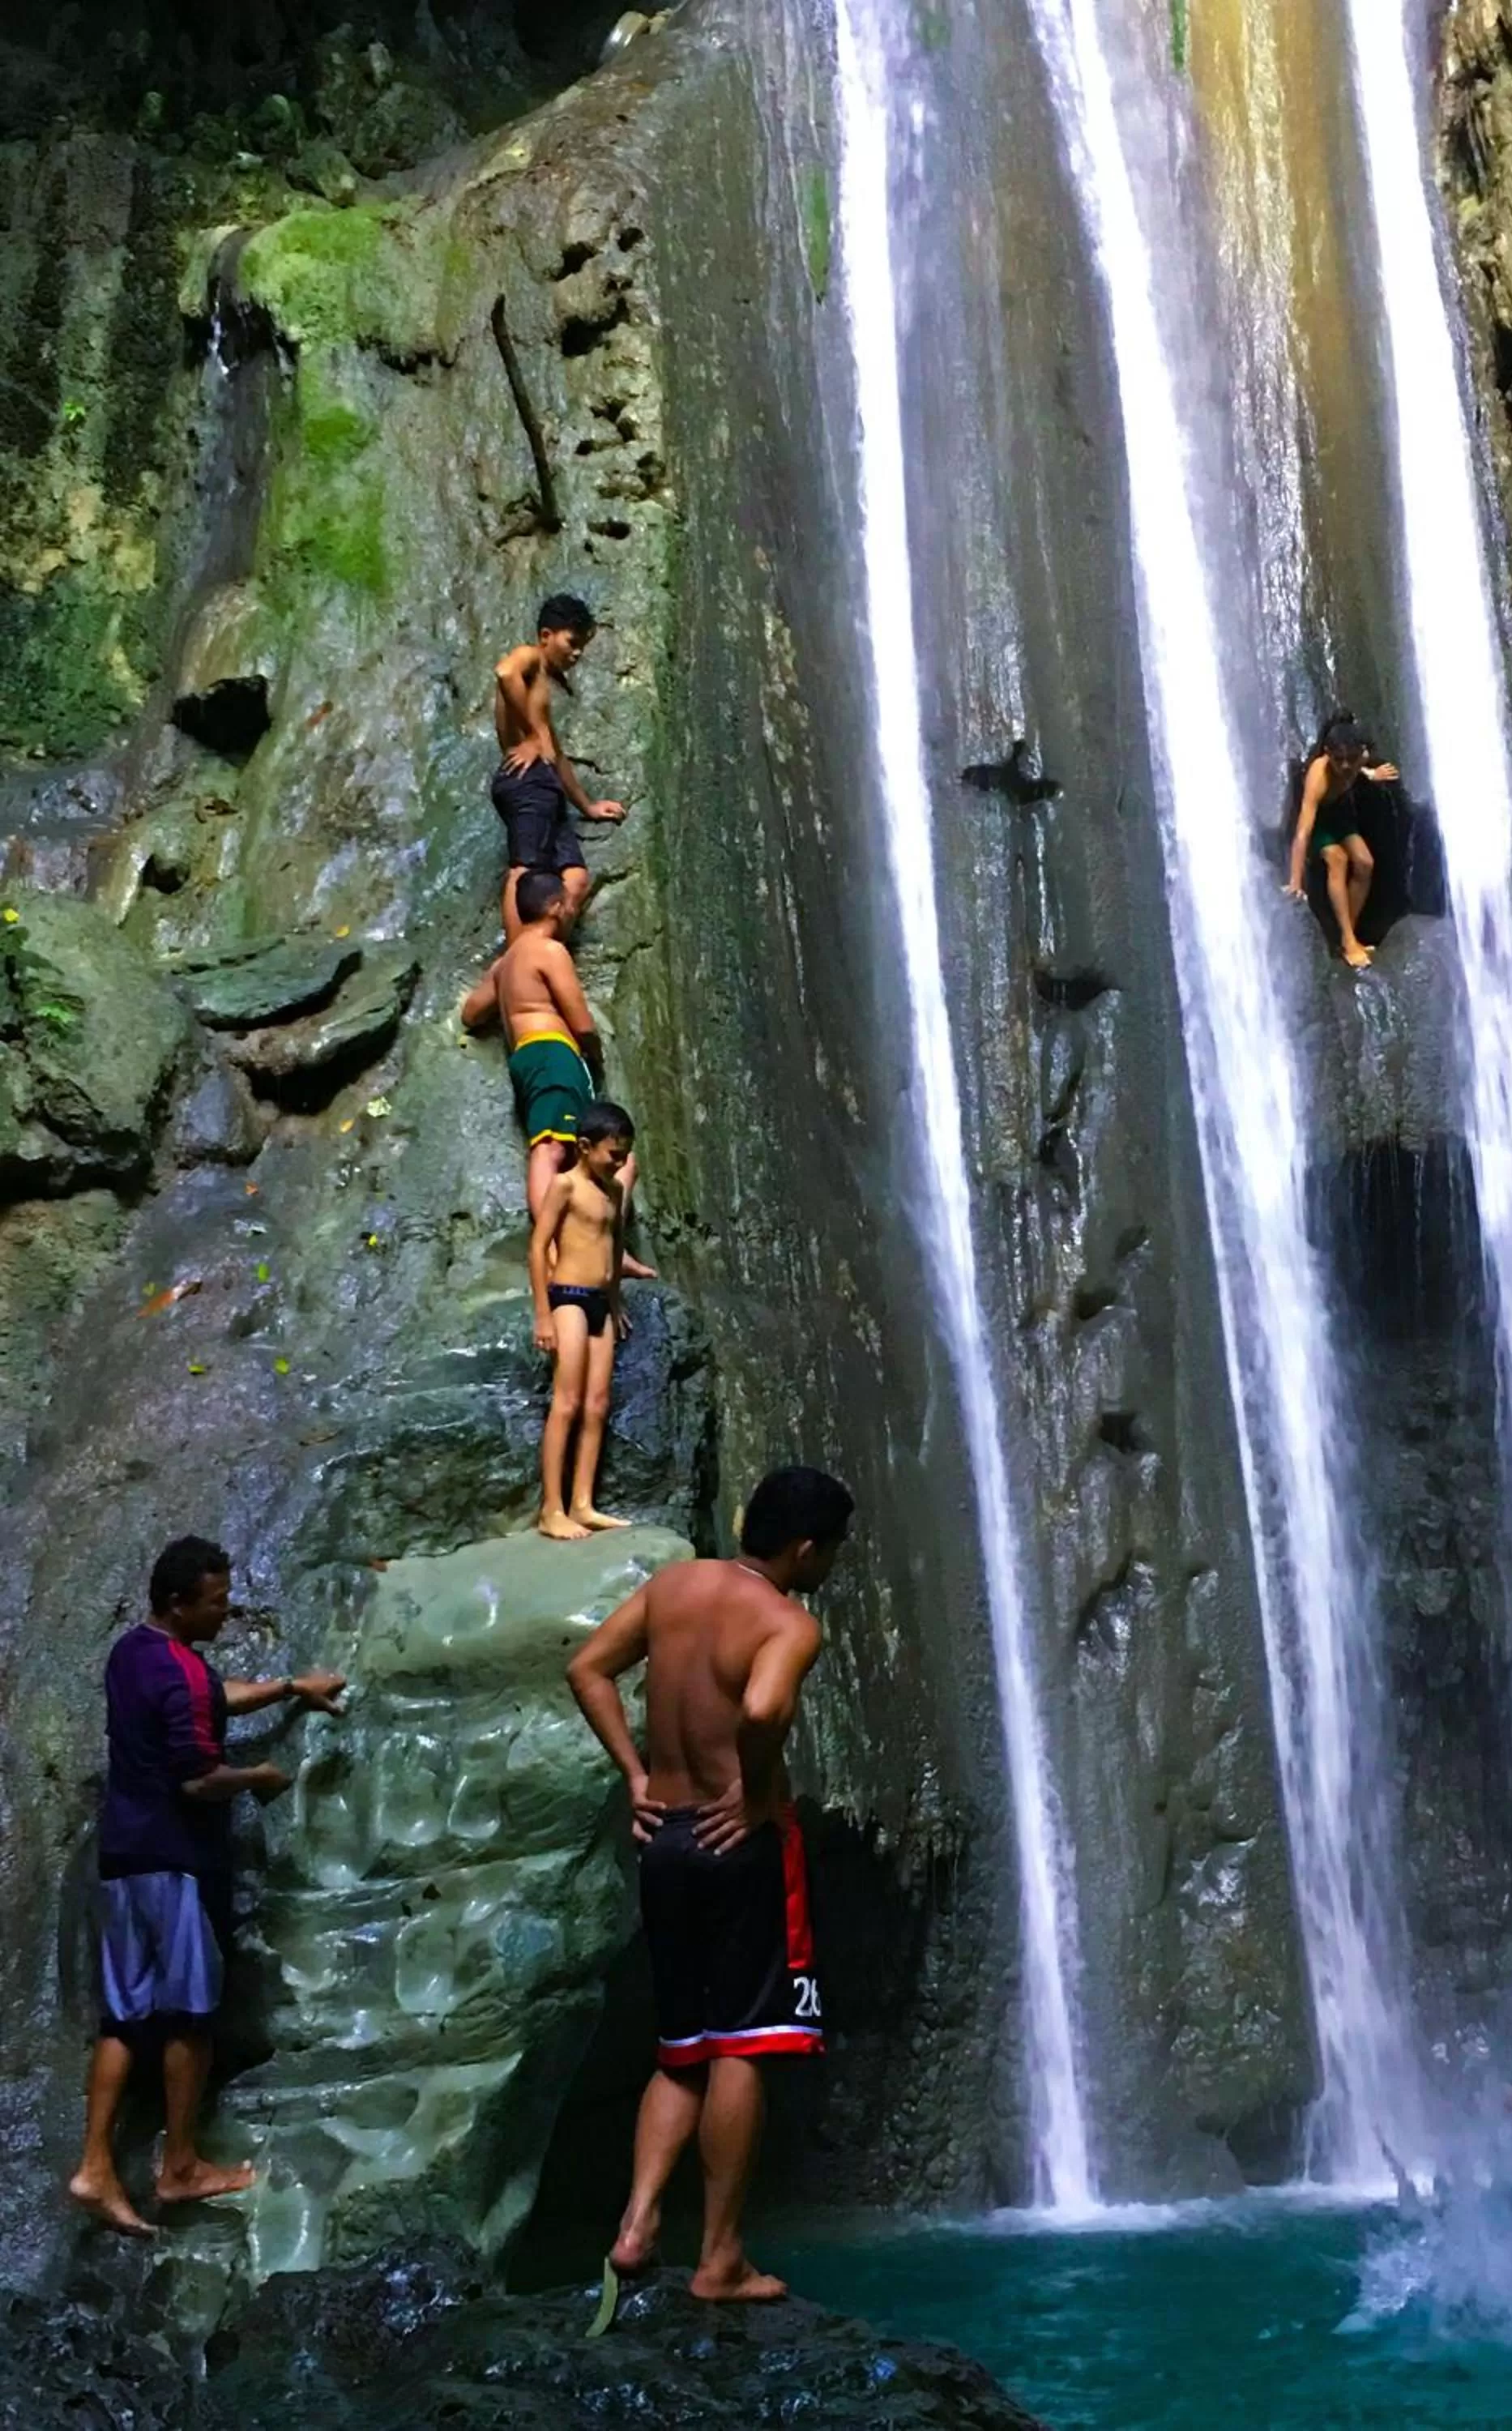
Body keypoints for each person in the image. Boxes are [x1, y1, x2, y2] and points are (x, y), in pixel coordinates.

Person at [566, 1465, 855, 2301]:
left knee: (680, 2047)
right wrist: (758, 1792)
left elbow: (588, 1669)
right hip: (739, 1844)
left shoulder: (674, 1587)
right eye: (833, 1551)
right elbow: (761, 1711)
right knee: (744, 2045)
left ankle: (636, 2226)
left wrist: (635, 1776)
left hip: (666, 1837)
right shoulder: (788, 1623)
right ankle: (720, 2256)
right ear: (806, 1549)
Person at [70, 1536, 345, 2237]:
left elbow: (209, 1700)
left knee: (123, 2017)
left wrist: (290, 1687)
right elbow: (198, 1779)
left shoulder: (133, 1653)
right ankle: (181, 2166)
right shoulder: (185, 1675)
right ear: (178, 1603)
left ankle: (94, 2167)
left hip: (124, 1858)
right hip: (175, 1862)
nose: (227, 1611)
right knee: (190, 2015)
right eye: (216, 1601)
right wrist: (259, 1778)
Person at [461, 870, 606, 1218]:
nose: (572, 910)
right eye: (568, 903)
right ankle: (546, 1239)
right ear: (555, 907)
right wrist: (597, 1057)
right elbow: (582, 1024)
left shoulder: (505, 963)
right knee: (551, 1147)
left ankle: (567, 1231)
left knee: (562, 1146)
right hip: (553, 1052)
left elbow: (471, 1013)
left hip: (524, 1057)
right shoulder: (549, 951)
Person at [530, 1100, 637, 1540]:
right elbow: (538, 1247)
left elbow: (613, 1248)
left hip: (599, 1303)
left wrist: (614, 1300)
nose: (620, 1163)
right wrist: (543, 1314)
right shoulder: (565, 1186)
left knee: (596, 1405)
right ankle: (551, 1509)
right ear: (585, 1146)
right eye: (613, 1154)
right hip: (569, 1299)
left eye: (625, 1155)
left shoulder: (614, 1192)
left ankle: (583, 1503)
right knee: (567, 1402)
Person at [493, 593, 626, 942]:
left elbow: (557, 756)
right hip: (526, 782)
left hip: (547, 784)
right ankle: (519, 962)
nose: (577, 653)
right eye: (572, 642)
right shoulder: (529, 656)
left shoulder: (541, 685)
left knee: (576, 880)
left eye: (582, 646)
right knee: (524, 870)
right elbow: (505, 672)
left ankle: (543, 950)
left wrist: (588, 806)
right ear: (546, 636)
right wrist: (532, 736)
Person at [1283, 713, 1401, 970]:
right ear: (1328, 754)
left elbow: (1358, 768)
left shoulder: (1360, 757)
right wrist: (1295, 880)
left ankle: (1347, 936)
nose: (1346, 766)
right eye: (1338, 760)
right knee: (1338, 859)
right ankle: (1348, 942)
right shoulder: (1318, 777)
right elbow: (1303, 831)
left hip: (1338, 815)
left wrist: (1372, 774)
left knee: (1365, 863)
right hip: (1317, 821)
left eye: (1352, 759)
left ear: (1361, 753)